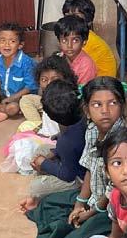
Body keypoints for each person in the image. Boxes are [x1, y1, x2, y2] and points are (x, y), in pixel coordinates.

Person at [26, 77, 127, 238]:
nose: (105, 111)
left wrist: (90, 212)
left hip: (111, 210)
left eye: (112, 103)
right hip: (94, 197)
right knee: (47, 203)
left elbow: (113, 191)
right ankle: (66, 234)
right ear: (86, 109)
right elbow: (89, 167)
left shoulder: (123, 143)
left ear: (122, 106)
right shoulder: (92, 130)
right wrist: (80, 203)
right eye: (97, 104)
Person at [19, 80, 86, 213]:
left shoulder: (67, 140)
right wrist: (54, 153)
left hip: (78, 178)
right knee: (42, 150)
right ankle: (45, 176)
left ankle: (47, 182)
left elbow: (68, 175)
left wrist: (44, 163)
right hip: (72, 160)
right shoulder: (81, 120)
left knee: (35, 188)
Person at [0, 22, 37, 127]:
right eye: (2, 40)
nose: (7, 45)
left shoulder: (27, 63)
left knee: (12, 108)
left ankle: (0, 109)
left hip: (20, 96)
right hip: (4, 92)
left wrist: (11, 99)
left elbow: (30, 87)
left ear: (20, 45)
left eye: (12, 41)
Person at [18, 53, 77, 133]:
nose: (49, 84)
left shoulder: (65, 103)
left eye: (54, 79)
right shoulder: (47, 99)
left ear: (65, 79)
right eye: (44, 80)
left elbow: (60, 134)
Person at [62, 0, 117, 78]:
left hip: (100, 84)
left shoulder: (86, 41)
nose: (71, 21)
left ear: (89, 22)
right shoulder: (79, 36)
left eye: (76, 18)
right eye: (67, 16)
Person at [54, 15, 98, 85]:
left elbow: (82, 90)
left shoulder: (87, 66)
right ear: (59, 42)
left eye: (75, 40)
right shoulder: (60, 57)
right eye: (64, 40)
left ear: (84, 42)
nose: (69, 46)